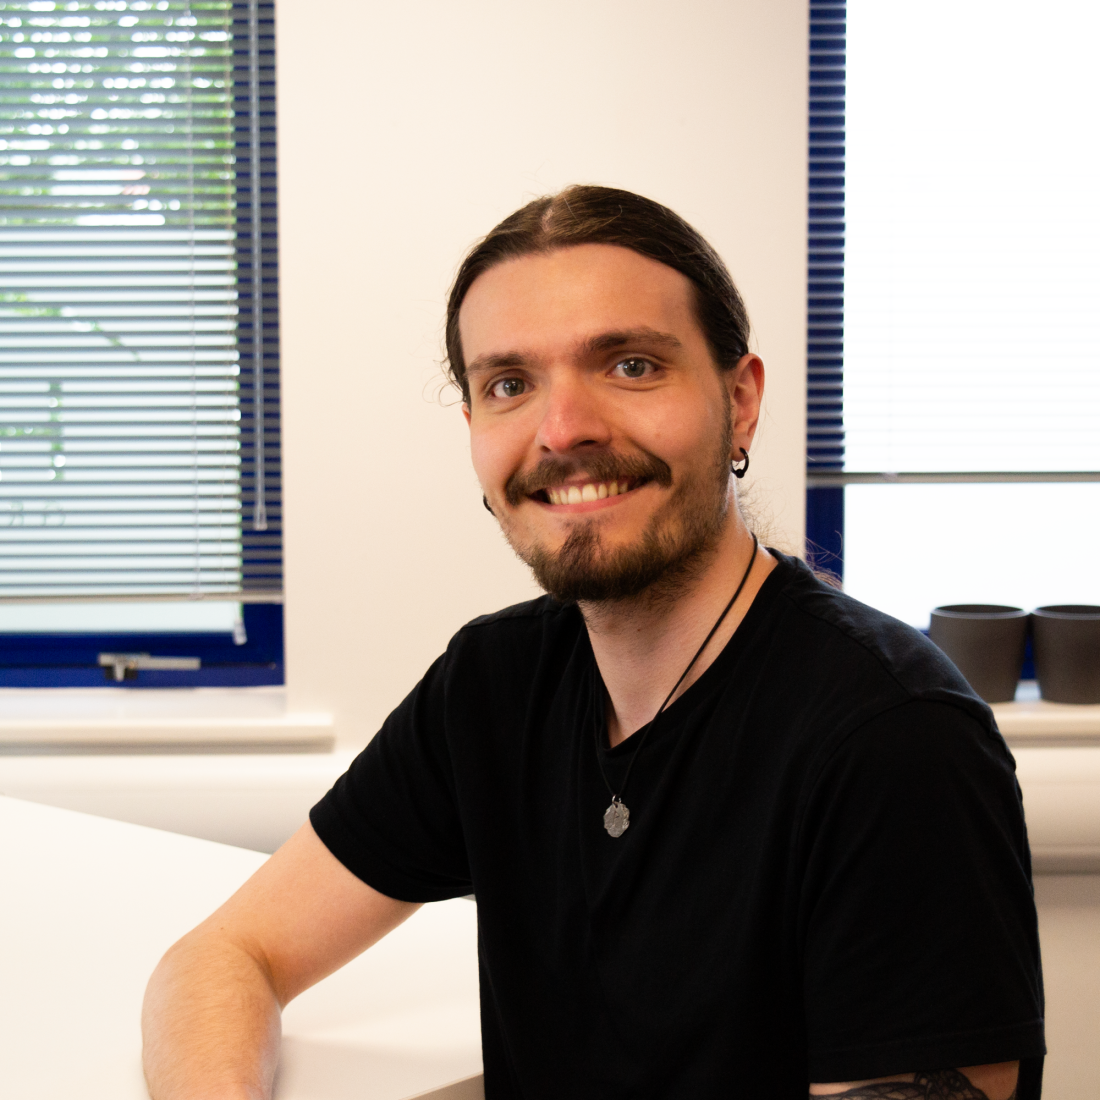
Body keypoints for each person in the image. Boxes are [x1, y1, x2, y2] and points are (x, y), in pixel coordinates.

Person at [142, 186, 1044, 1100]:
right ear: (474, 434)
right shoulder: (492, 688)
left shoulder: (893, 739)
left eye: (631, 366)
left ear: (739, 402)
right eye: (508, 385)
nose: (563, 430)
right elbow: (227, 954)